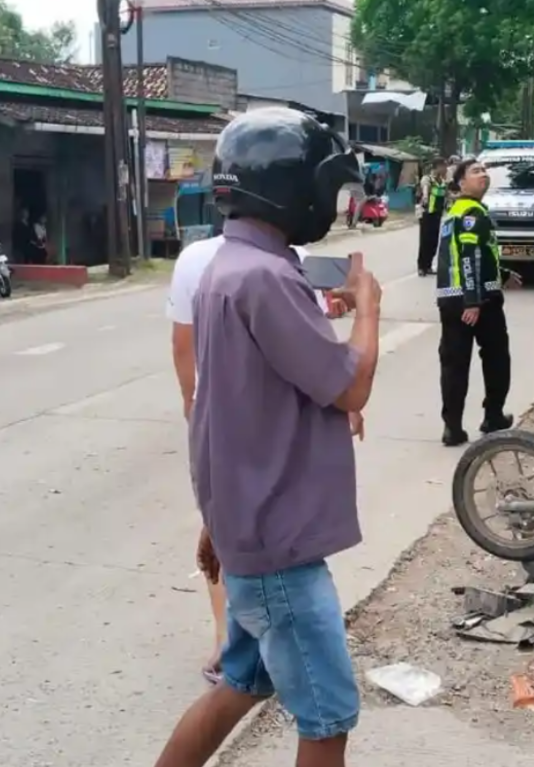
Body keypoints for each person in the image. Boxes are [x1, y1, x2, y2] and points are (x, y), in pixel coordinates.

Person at [154, 107, 380, 767]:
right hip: (279, 551)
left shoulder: (229, 266)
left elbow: (222, 411)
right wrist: (367, 309)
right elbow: (349, 386)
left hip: (250, 531)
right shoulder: (265, 276)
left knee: (239, 685)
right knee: (326, 715)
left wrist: (215, 521)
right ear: (289, 189)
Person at [167, 234, 352, 687]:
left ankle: (227, 635)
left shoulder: (214, 261)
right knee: (327, 714)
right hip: (269, 430)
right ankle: (232, 636)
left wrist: (195, 406)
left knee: (223, 526)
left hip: (225, 426)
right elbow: (332, 361)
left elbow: (183, 344)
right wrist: (365, 310)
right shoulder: (279, 267)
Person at [436, 158, 521, 447]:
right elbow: (470, 256)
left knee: (453, 364)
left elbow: (465, 255)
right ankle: (493, 416)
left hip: (449, 297)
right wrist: (473, 301)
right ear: (461, 183)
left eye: (484, 171)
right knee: (497, 358)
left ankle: (452, 427)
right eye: (476, 172)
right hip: (478, 300)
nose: (483, 175)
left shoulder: (453, 213)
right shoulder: (473, 212)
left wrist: (504, 273)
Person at [417, 157, 448, 277]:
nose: (445, 168)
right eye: (443, 166)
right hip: (427, 214)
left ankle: (429, 265)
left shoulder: (442, 180)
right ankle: (422, 266)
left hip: (437, 214)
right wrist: (425, 197)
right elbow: (425, 189)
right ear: (437, 167)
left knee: (434, 241)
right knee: (425, 240)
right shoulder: (427, 179)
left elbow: (447, 194)